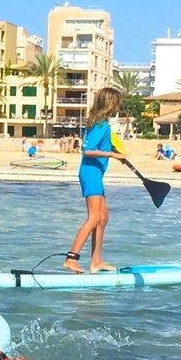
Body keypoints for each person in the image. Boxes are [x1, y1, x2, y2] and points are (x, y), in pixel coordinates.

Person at [63, 87, 127, 275]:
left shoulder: (100, 123)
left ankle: (96, 261)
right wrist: (112, 155)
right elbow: (88, 150)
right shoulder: (101, 125)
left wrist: (115, 153)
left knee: (103, 217)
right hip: (91, 173)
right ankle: (71, 258)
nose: (119, 107)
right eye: (117, 103)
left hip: (94, 173)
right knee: (94, 218)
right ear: (110, 104)